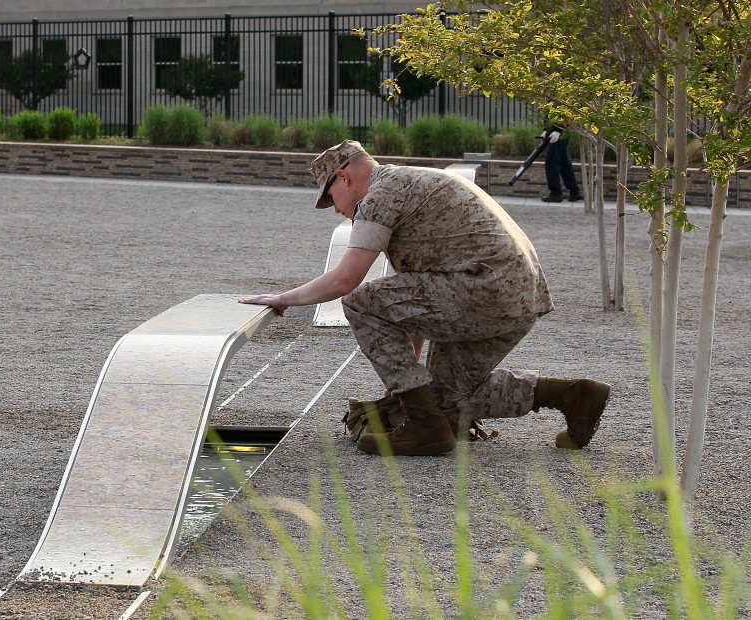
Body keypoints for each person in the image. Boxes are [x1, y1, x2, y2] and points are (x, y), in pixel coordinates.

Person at [240, 140, 610, 456]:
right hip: (515, 297)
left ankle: (425, 428)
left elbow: (345, 280)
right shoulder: (408, 183)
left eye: (331, 197)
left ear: (344, 176)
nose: (336, 208)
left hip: (483, 289)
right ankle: (573, 395)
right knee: (444, 398)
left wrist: (283, 298)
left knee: (359, 301)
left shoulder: (382, 193)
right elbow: (412, 299)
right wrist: (404, 380)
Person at [541, 123, 583, 203]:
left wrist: (559, 130)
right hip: (559, 132)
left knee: (551, 163)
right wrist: (547, 130)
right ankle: (574, 191)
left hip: (560, 133)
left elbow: (565, 114)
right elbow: (549, 116)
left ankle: (556, 194)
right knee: (565, 164)